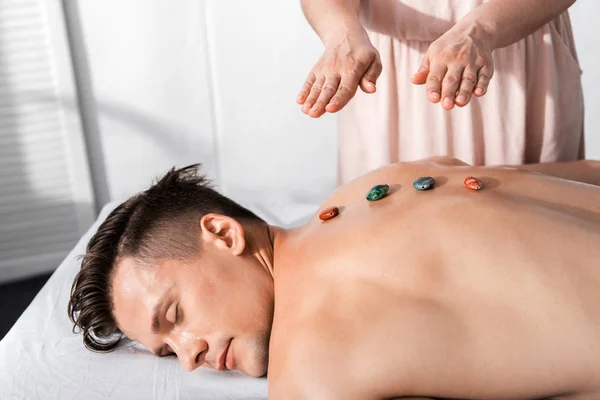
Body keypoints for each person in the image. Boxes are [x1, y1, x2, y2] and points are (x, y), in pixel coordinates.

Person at [69, 157, 600, 399]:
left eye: (176, 316)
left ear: (224, 234)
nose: (190, 357)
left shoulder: (313, 366)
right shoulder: (376, 186)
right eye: (168, 352)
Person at [297, 0, 585, 184]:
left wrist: (482, 28)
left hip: (515, 50)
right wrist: (341, 33)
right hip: (388, 71)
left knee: (530, 231)